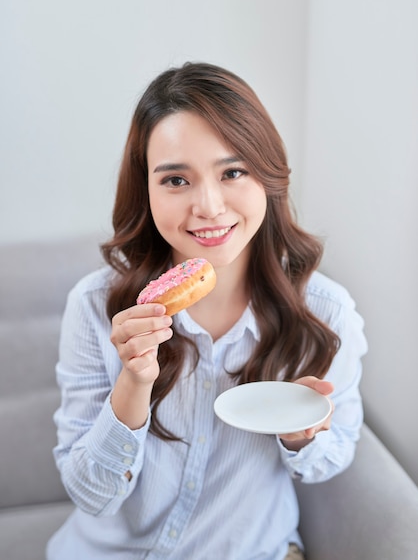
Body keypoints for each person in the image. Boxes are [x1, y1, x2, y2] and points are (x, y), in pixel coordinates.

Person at [47, 62, 367, 560]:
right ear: (147, 191)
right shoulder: (96, 307)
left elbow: (331, 459)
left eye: (233, 172)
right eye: (176, 180)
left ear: (268, 175)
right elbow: (91, 495)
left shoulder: (323, 314)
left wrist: (302, 432)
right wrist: (133, 382)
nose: (210, 206)